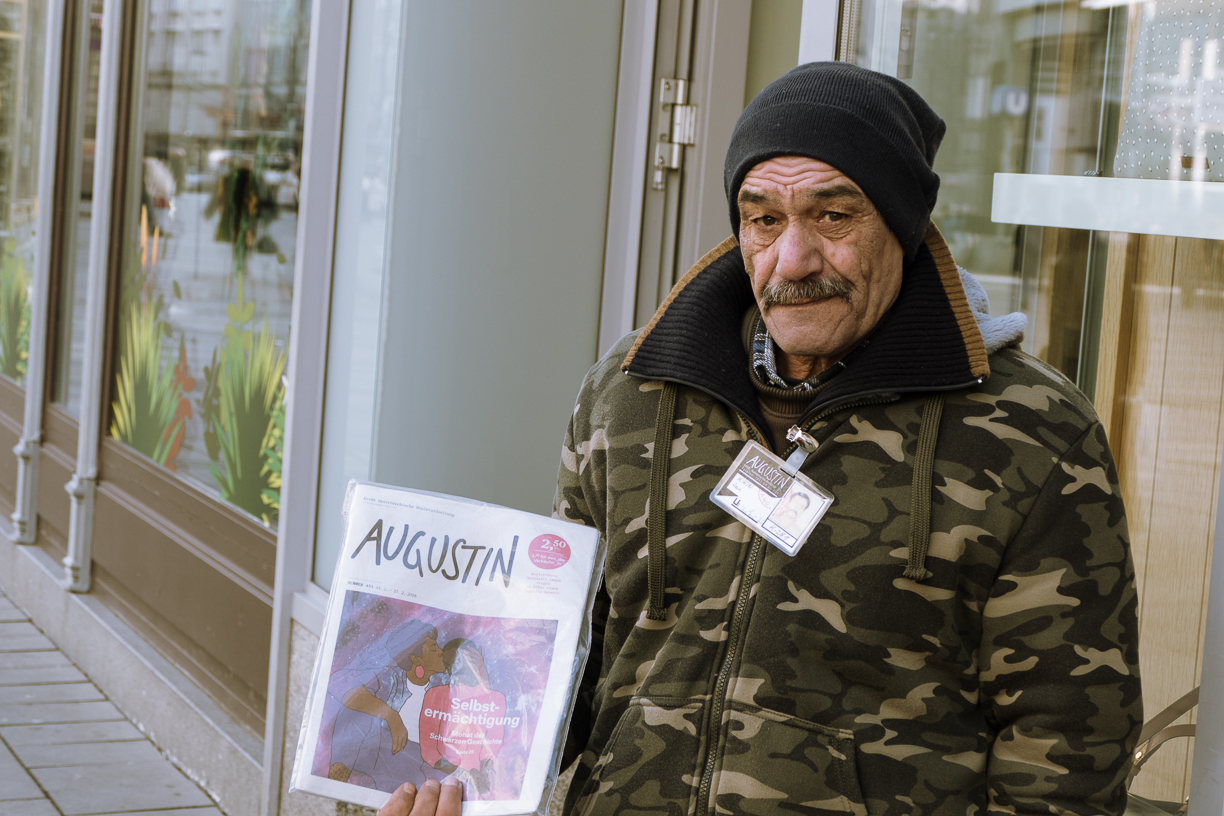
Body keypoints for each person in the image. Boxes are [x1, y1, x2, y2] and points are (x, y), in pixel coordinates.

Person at [553, 61, 1142, 816]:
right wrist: (457, 773)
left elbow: (1068, 752)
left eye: (834, 217)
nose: (791, 262)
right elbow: (559, 658)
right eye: (763, 219)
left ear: (900, 223)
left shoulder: (1030, 433)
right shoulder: (628, 395)